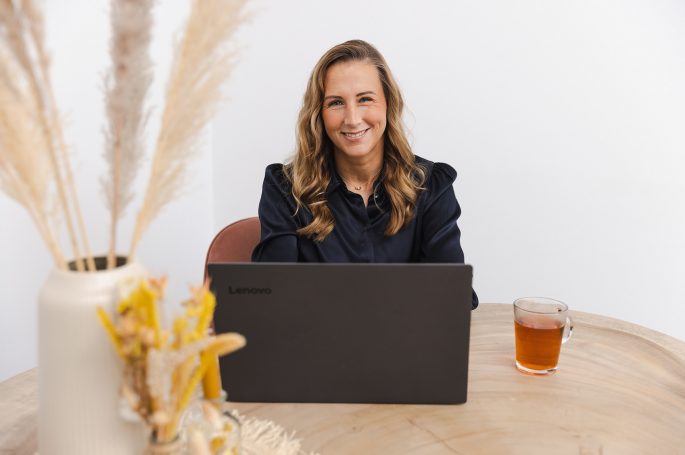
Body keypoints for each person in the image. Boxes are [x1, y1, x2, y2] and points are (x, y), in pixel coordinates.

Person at [252, 39, 478, 309]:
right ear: (319, 114)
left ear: (388, 104)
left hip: (406, 346)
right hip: (316, 346)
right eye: (336, 103)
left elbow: (452, 296)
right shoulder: (285, 189)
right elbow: (274, 299)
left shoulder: (432, 186)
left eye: (365, 99)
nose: (352, 118)